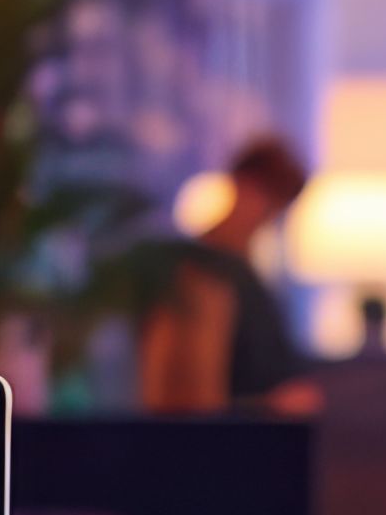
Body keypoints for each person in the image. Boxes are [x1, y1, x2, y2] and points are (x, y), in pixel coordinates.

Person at [130, 134, 320, 415]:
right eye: (266, 197)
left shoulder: (247, 274)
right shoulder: (199, 272)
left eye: (277, 204)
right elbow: (189, 399)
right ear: (238, 183)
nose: (267, 214)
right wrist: (266, 406)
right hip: (228, 438)